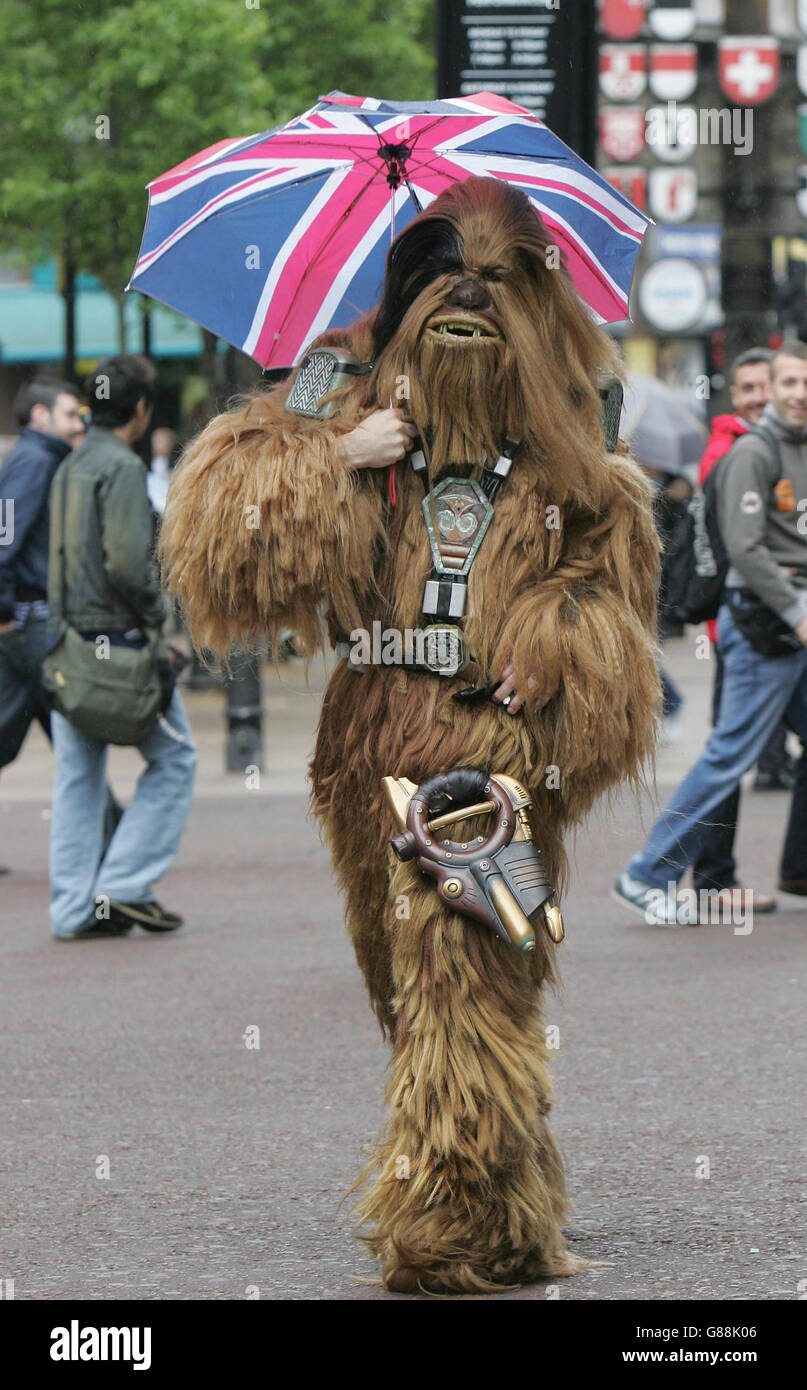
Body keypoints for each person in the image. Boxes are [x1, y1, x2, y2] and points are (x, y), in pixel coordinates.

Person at [160, 177, 661, 1291]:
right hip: (364, 741)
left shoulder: (577, 456)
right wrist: (338, 454)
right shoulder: (338, 406)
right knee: (418, 984)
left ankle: (444, 1221)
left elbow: (614, 606)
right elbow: (216, 545)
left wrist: (559, 640)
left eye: (495, 287)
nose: (468, 302)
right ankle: (519, 1209)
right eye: (442, 281)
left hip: (494, 742)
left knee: (460, 969)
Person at [616, 343, 807, 924]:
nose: (798, 393)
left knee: (733, 753)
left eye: (806, 382)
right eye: (789, 383)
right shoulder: (755, 452)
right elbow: (747, 550)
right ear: (771, 390)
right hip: (766, 632)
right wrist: (798, 612)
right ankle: (648, 873)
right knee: (729, 756)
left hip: (789, 631)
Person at [48, 355, 197, 941]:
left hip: (71, 649)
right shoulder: (123, 469)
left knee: (76, 778)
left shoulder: (71, 464)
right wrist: (164, 622)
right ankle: (126, 884)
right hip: (120, 649)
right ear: (140, 410)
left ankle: (72, 908)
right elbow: (130, 566)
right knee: (176, 758)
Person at [690, 349, 779, 912]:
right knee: (728, 754)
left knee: (731, 751)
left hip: (775, 631)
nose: (755, 397)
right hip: (746, 631)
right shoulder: (730, 451)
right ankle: (710, 879)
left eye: (763, 387)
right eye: (744, 389)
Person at [0, 378, 85, 874]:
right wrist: (6, 617)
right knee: (75, 727)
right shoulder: (34, 462)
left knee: (25, 729)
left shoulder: (43, 459)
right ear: (39, 416)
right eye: (70, 414)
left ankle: (105, 832)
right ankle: (108, 837)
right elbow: (4, 537)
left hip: (25, 623)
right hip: (30, 623)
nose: (79, 423)